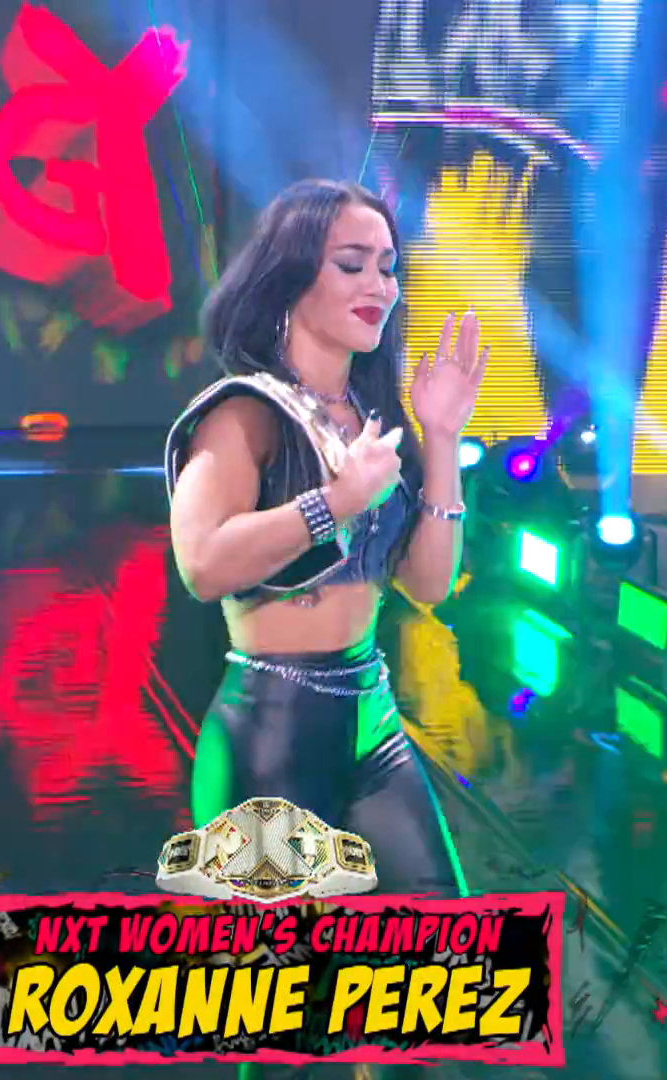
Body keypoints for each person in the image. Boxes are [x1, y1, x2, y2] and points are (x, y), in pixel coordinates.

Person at [164, 178, 488, 899]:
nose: (379, 284)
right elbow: (203, 565)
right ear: (291, 276)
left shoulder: (372, 416)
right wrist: (336, 502)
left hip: (373, 720)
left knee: (450, 945)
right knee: (282, 969)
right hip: (272, 728)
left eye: (388, 267)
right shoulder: (243, 412)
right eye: (352, 264)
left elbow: (429, 585)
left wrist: (441, 438)